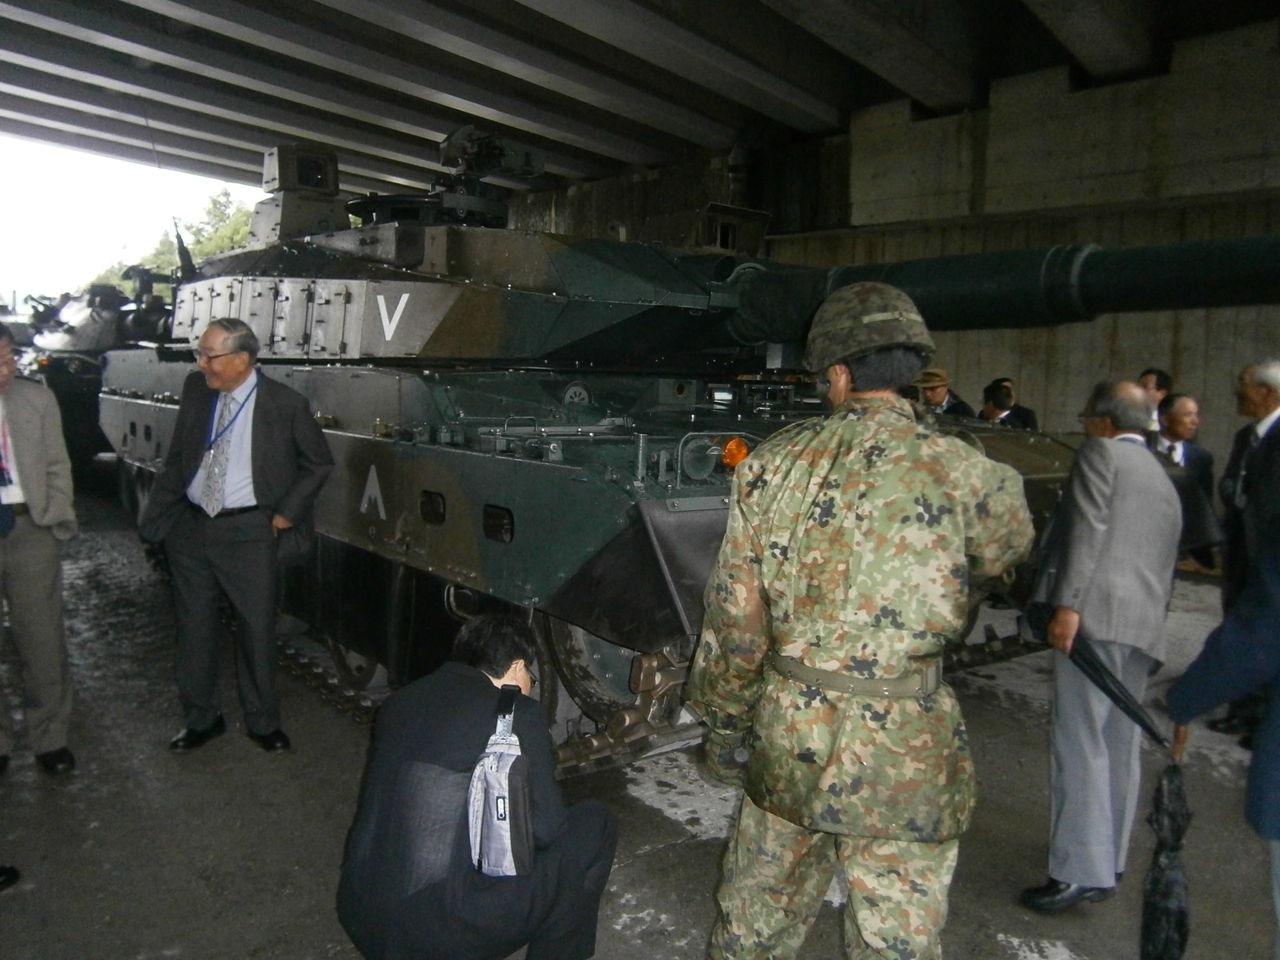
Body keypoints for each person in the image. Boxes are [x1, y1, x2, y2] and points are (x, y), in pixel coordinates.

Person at [687, 282, 1034, 960]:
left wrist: (725, 725)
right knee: (896, 943)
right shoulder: (974, 474)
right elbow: (1002, 563)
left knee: (754, 930)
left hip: (792, 741)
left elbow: (736, 621)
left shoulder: (769, 467)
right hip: (906, 748)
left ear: (840, 373)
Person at [336, 613, 617, 960]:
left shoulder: (399, 703)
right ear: (516, 668)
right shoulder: (515, 713)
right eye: (530, 674)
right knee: (593, 824)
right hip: (438, 938)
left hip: (360, 912)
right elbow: (548, 829)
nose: (530, 683)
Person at [1019, 381, 1182, 914]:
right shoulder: (1161, 473)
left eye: (1088, 415)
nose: (1085, 424)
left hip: (1093, 617)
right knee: (1116, 744)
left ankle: (1076, 871)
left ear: (1107, 422)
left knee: (1079, 742)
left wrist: (1068, 606)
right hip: (1141, 626)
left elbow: (1086, 529)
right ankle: (1107, 859)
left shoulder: (1100, 453)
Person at [139, 318, 333, 753]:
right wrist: (159, 518)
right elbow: (179, 456)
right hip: (190, 528)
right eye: (200, 354)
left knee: (256, 629)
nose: (201, 363)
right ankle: (201, 719)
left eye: (210, 356)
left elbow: (319, 464)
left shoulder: (285, 404)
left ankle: (263, 722)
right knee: (193, 628)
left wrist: (285, 514)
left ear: (242, 360)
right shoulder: (196, 389)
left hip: (249, 532)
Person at [0, 322, 78, 776]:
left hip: (31, 529)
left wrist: (55, 517)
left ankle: (51, 738)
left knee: (42, 639)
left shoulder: (37, 400)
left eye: (10, 359)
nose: (7, 370)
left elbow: (57, 464)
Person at [1206, 362, 1280, 746]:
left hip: (1269, 561)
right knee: (1239, 629)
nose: (1237, 391)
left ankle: (1265, 722)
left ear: (1267, 393)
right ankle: (1243, 710)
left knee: (1266, 635)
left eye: (1244, 385)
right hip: (1240, 556)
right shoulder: (1244, 437)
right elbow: (1232, 479)